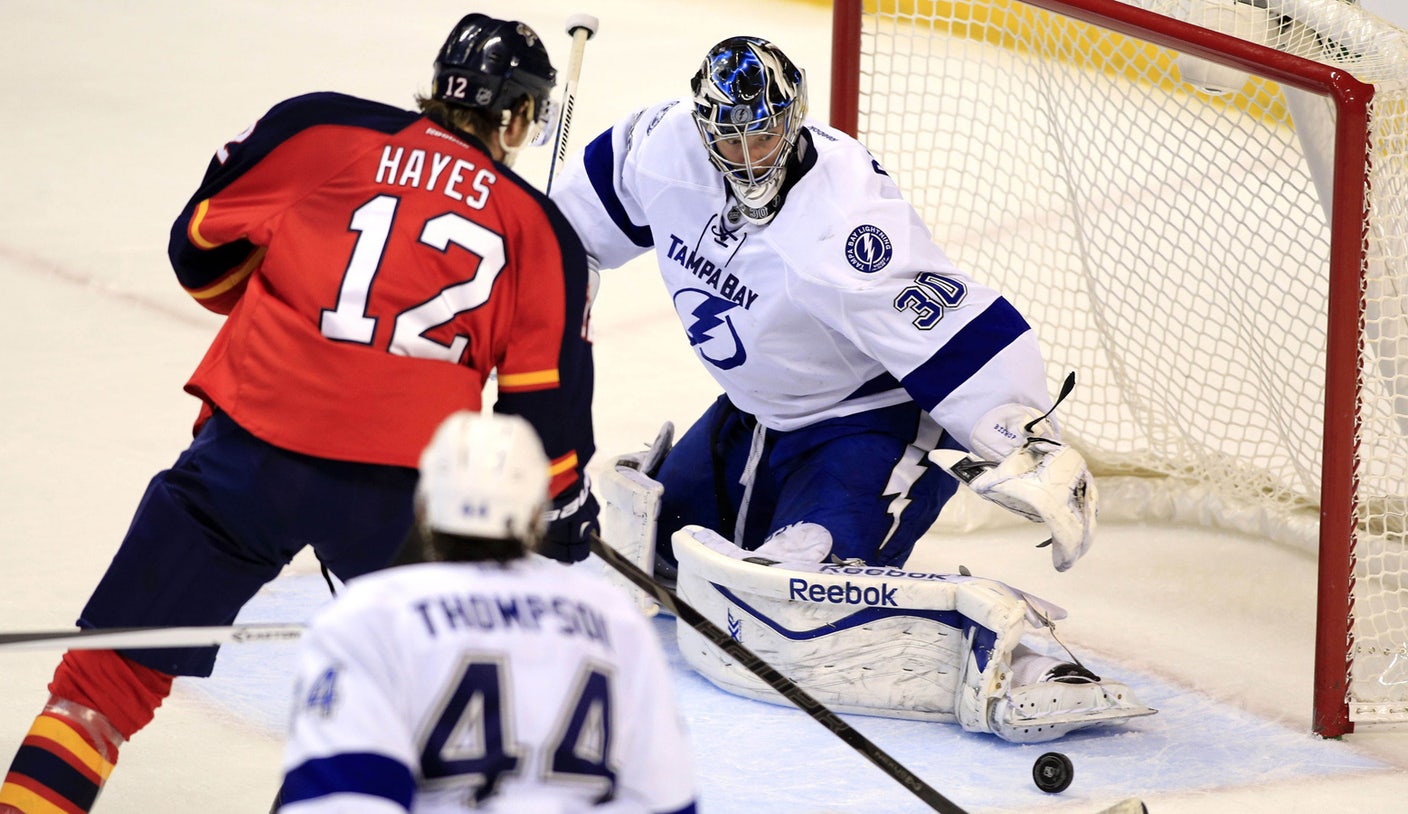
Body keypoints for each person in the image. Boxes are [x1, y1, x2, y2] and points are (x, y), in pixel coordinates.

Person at [0, 14, 600, 814]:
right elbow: (544, 427)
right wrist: (562, 509)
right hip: (399, 499)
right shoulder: (540, 231)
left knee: (104, 679)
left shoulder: (319, 127)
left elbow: (200, 250)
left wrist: (285, 311)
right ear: (522, 118)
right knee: (401, 718)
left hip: (246, 453)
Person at [550, 36, 1095, 577]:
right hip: (757, 413)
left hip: (863, 422)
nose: (748, 159)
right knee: (653, 549)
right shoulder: (662, 147)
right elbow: (571, 226)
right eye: (729, 139)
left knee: (808, 585)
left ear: (794, 118)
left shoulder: (845, 217)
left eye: (763, 135)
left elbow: (950, 326)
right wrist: (549, 275)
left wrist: (1024, 440)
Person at [277, 411, 698, 814]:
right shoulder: (612, 617)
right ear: (537, 512)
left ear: (424, 504)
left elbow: (346, 799)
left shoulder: (367, 617)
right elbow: (668, 799)